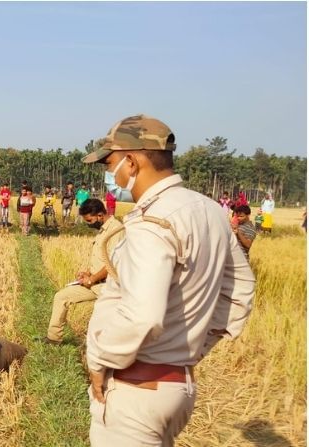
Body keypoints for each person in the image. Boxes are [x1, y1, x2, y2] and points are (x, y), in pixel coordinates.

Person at [81, 114, 255, 446]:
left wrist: (99, 362)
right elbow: (240, 291)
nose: (107, 173)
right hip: (179, 386)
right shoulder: (210, 211)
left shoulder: (153, 222)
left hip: (135, 394)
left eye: (110, 163)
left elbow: (141, 315)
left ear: (131, 162)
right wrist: (193, 347)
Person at [43, 199, 123, 344]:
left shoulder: (116, 230)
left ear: (99, 215)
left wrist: (92, 279)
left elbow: (112, 264)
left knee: (103, 323)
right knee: (61, 297)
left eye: (89, 220)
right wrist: (87, 274)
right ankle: (53, 338)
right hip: (94, 283)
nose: (88, 223)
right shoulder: (102, 231)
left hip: (110, 287)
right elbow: (100, 259)